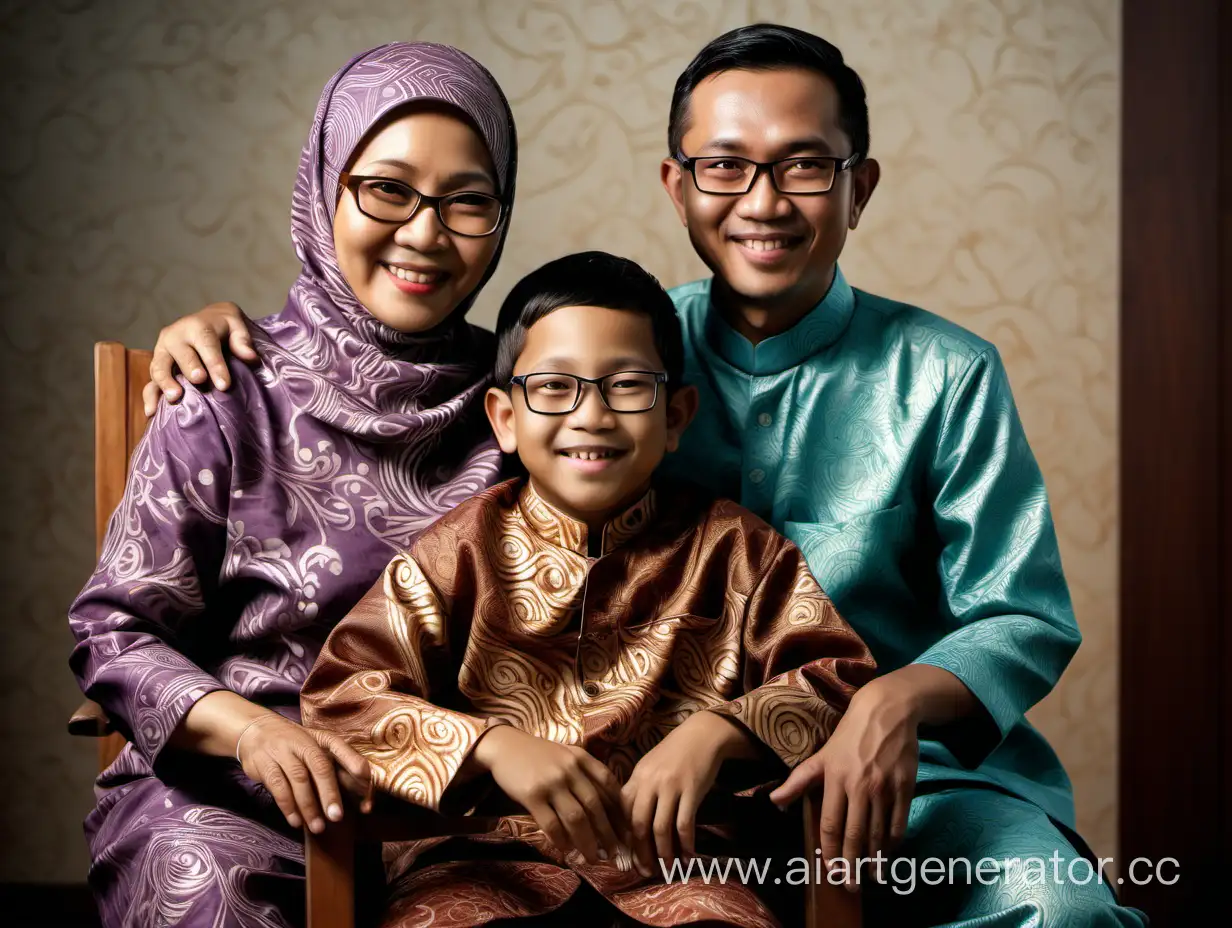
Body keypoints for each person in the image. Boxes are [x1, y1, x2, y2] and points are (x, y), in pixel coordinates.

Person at [140, 22, 1149, 928]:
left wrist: (880, 707)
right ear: (675, 186)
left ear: (858, 185)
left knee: (1055, 912)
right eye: (723, 165)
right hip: (567, 827)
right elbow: (418, 375)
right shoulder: (618, 345)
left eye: (803, 165)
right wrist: (242, 338)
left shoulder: (944, 373)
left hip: (871, 787)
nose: (761, 201)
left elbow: (1017, 615)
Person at [68, 42, 519, 927]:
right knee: (204, 885)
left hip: (460, 813)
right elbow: (113, 631)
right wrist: (249, 729)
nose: (426, 233)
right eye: (387, 189)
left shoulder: (523, 398)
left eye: (468, 201)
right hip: (234, 797)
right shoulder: (223, 388)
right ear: (324, 186)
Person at [298, 250, 877, 928]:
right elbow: (339, 701)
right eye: (553, 387)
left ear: (677, 416)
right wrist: (489, 747)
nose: (591, 415)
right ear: (505, 417)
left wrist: (720, 733)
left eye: (628, 386)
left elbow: (839, 682)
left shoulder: (738, 551)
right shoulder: (458, 552)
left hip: (686, 874)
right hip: (474, 872)